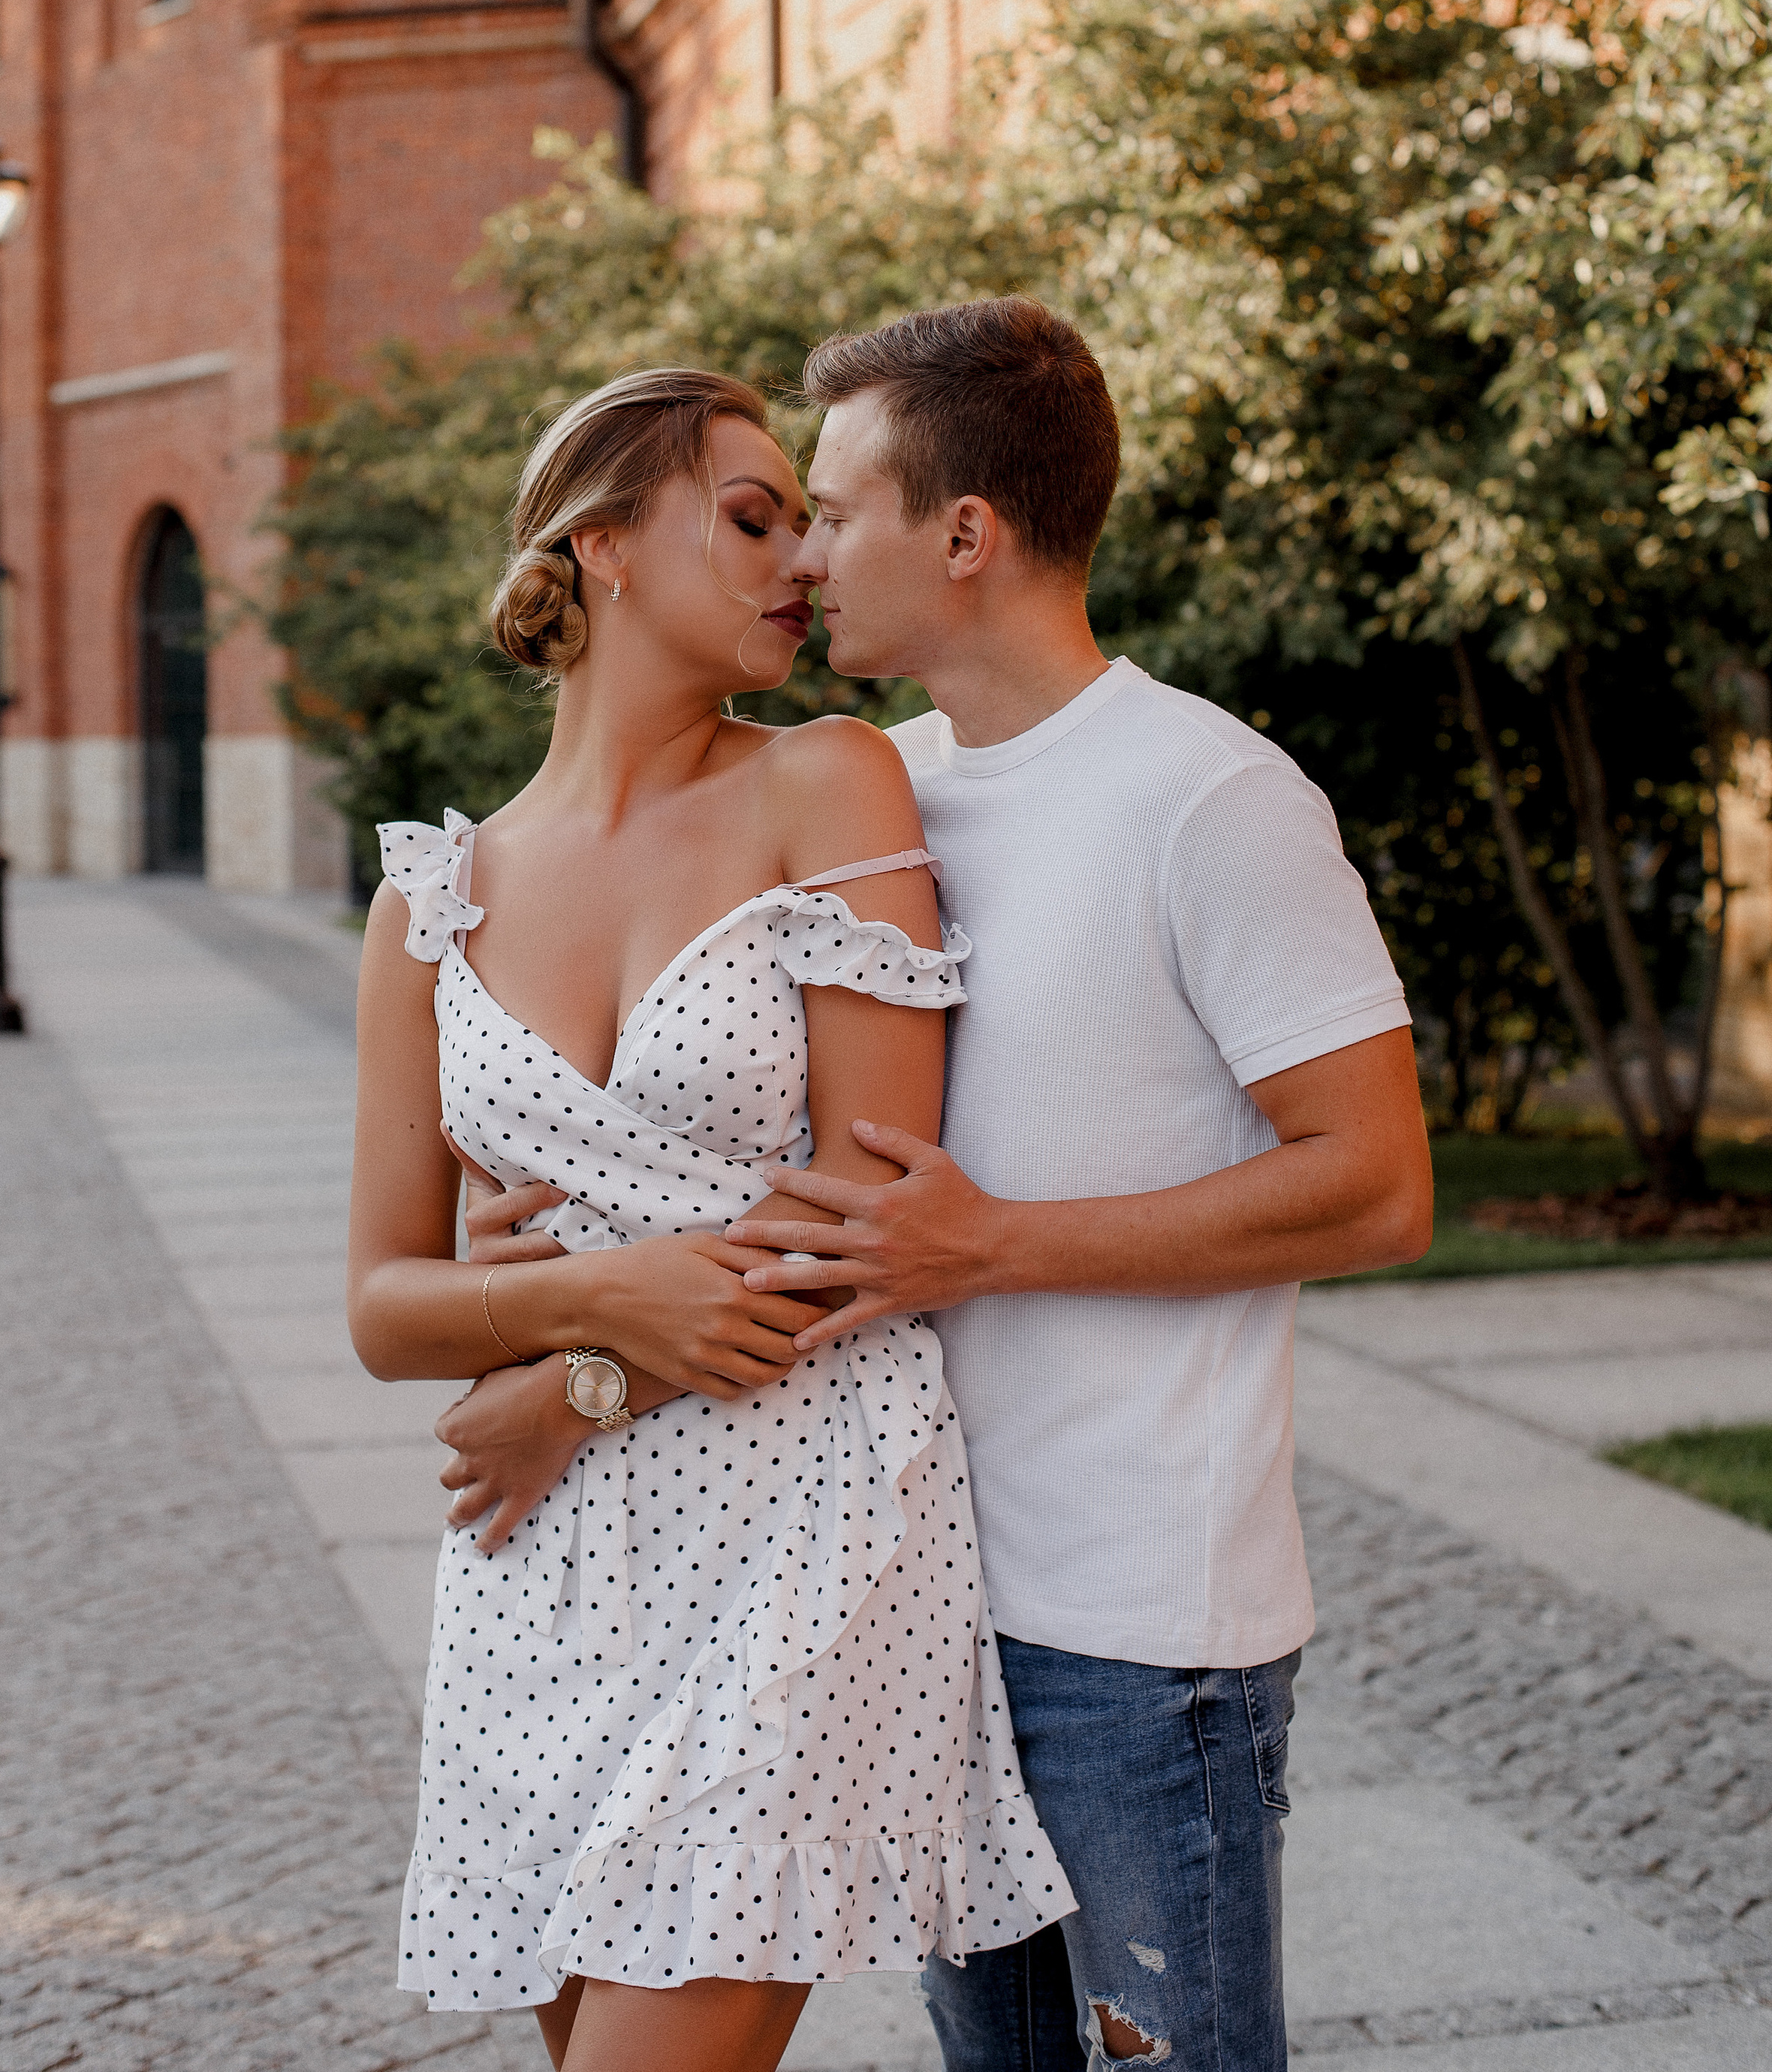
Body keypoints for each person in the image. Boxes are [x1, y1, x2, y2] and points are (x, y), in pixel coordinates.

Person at [445, 300, 1434, 2072]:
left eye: (830, 509)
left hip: (1136, 1631)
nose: (807, 555)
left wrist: (990, 1248)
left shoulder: (1206, 797)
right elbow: (769, 1183)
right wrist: (545, 1260)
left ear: (960, 535)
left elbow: (1374, 1189)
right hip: (906, 1599)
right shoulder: (872, 789)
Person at [346, 366, 1073, 2072]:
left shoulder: (822, 786)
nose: (797, 564)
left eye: (804, 525)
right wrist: (591, 1305)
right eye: (750, 519)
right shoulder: (428, 902)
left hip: (803, 1522)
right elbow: (382, 1309)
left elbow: (876, 1212)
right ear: (601, 547)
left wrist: (573, 1373)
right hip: (545, 1575)